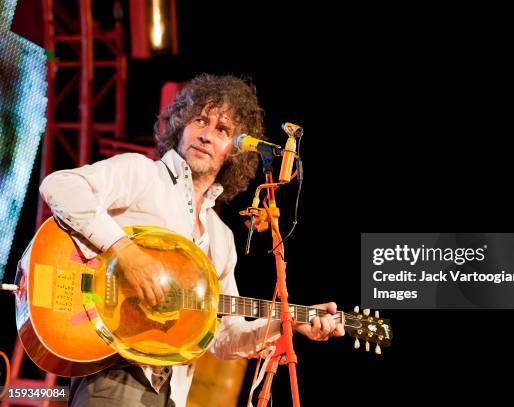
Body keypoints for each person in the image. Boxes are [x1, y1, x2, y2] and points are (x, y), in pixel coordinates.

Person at [37, 73, 344, 407]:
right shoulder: (142, 174)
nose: (206, 135)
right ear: (181, 126)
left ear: (235, 151)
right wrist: (125, 253)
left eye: (223, 130)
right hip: (115, 372)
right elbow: (60, 186)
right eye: (200, 120)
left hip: (171, 392)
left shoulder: (221, 238)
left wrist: (289, 323)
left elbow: (224, 338)